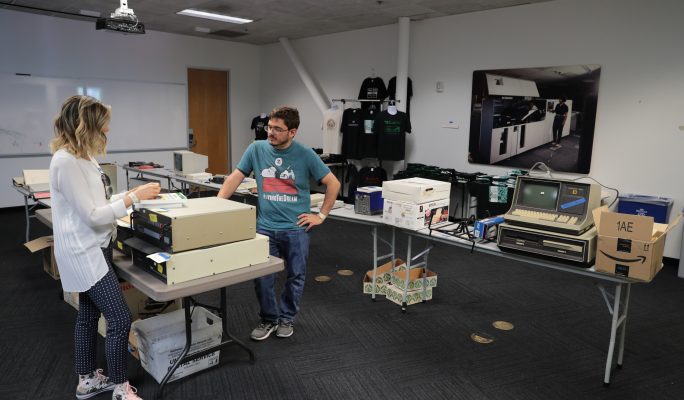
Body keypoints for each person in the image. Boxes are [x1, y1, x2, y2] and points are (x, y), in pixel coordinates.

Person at [49, 95, 161, 400]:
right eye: (103, 124)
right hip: (84, 251)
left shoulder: (84, 156)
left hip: (96, 245)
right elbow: (92, 215)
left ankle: (86, 381)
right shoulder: (65, 162)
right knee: (120, 318)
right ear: (84, 125)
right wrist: (133, 199)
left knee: (87, 315)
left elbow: (100, 202)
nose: (107, 130)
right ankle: (120, 388)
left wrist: (133, 193)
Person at [217, 106, 341, 340]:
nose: (270, 133)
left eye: (277, 129)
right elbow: (235, 178)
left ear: (292, 132)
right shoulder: (256, 148)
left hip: (296, 229)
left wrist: (321, 216)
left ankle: (286, 318)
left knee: (296, 276)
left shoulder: (305, 154)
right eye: (269, 127)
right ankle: (269, 319)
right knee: (262, 278)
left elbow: (333, 183)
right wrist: (215, 206)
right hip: (265, 227)